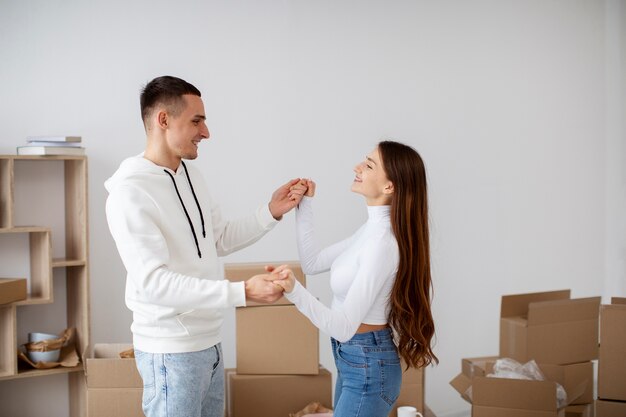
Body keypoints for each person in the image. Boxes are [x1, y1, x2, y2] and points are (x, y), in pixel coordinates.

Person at [104, 75, 306, 417]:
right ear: (163, 120)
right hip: (170, 352)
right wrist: (243, 292)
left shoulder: (191, 175)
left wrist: (270, 212)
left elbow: (217, 238)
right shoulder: (129, 192)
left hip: (209, 342)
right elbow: (155, 284)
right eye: (197, 121)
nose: (207, 132)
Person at [268, 140, 438, 417]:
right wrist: (304, 205)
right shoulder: (370, 231)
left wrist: (294, 290)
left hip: (368, 367)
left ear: (389, 187)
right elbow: (312, 263)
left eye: (369, 165)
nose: (357, 167)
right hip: (355, 360)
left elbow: (345, 327)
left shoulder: (382, 244)